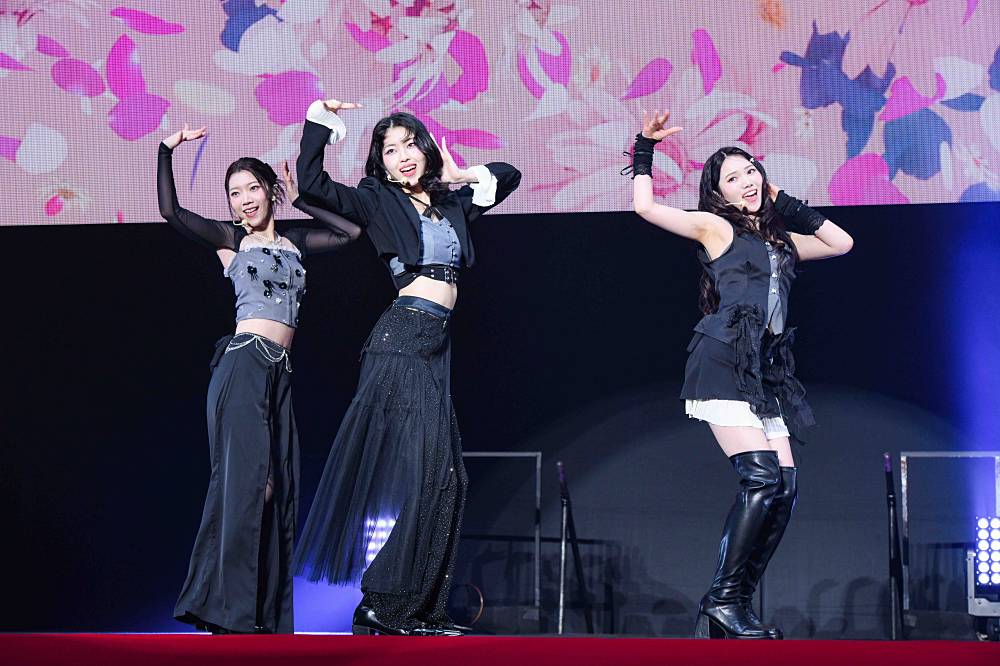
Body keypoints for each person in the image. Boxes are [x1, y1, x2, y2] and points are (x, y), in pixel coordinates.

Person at [291, 99, 521, 636]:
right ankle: (382, 603)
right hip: (401, 339)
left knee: (449, 479)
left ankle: (419, 608)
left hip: (435, 345)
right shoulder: (376, 199)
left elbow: (509, 175)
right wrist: (318, 120)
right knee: (429, 474)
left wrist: (460, 175)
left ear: (427, 148)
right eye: (390, 150)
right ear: (382, 163)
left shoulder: (452, 203)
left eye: (410, 144)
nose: (403, 156)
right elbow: (311, 183)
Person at [629, 111, 854, 639]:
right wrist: (644, 148)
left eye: (750, 170)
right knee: (761, 479)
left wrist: (783, 202)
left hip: (765, 372)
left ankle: (733, 605)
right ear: (719, 193)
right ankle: (722, 600)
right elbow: (645, 207)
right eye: (733, 177)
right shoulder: (717, 228)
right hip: (722, 360)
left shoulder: (781, 241)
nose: (746, 181)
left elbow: (841, 242)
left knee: (785, 488)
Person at [158, 124, 361, 634]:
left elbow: (351, 234)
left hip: (279, 374)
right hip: (243, 365)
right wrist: (166, 149)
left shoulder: (295, 242)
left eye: (252, 188)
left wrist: (303, 199)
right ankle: (224, 611)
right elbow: (172, 213)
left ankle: (260, 617)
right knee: (246, 487)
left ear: (270, 191)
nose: (245, 200)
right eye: (235, 193)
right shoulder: (231, 240)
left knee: (278, 488)